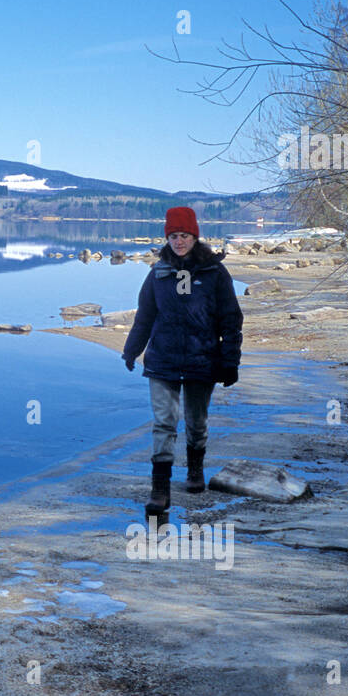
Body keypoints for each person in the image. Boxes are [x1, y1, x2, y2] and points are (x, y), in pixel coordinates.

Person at [121, 207, 243, 517]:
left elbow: (231, 319)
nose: (178, 241)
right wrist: (131, 350)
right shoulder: (158, 273)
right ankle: (160, 490)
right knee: (164, 422)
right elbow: (145, 316)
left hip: (203, 359)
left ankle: (195, 470)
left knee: (196, 422)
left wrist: (230, 361)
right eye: (173, 236)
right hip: (163, 359)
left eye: (184, 235)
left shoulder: (214, 274)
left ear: (194, 236)